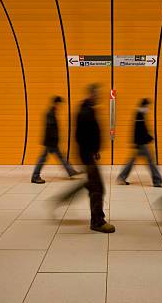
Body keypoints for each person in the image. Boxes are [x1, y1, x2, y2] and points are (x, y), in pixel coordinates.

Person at [57, 84, 115, 233]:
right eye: (98, 95)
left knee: (93, 185)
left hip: (88, 154)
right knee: (98, 188)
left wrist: (94, 150)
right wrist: (89, 153)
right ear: (92, 95)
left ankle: (67, 197)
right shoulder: (85, 111)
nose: (99, 98)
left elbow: (90, 134)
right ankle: (97, 222)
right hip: (86, 156)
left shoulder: (87, 109)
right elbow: (81, 136)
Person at [32, 96, 79, 184]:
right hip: (50, 142)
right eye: (60, 104)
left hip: (52, 141)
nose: (60, 106)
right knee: (43, 159)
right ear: (56, 103)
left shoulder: (52, 112)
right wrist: (55, 140)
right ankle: (35, 176)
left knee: (59, 157)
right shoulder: (50, 113)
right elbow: (50, 128)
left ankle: (70, 171)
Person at [117, 98, 162, 187]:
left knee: (131, 162)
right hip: (141, 144)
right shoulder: (139, 115)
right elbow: (139, 130)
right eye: (148, 106)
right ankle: (157, 181)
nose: (148, 109)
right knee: (151, 162)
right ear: (144, 106)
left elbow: (138, 130)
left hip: (140, 143)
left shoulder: (140, 114)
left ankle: (121, 178)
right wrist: (149, 138)